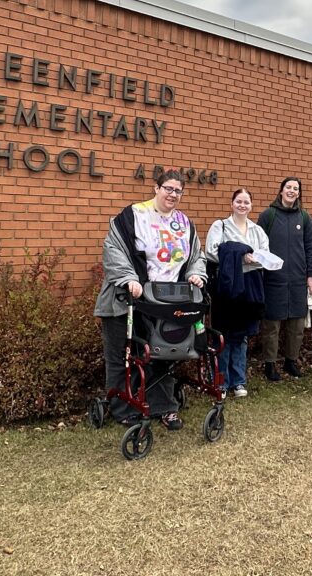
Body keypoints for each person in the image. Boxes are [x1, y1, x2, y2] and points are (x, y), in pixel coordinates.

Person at [94, 169, 206, 430]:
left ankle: (164, 406)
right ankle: (124, 407)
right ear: (156, 188)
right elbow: (113, 250)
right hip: (127, 300)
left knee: (163, 354)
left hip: (165, 304)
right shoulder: (133, 215)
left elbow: (196, 257)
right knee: (122, 355)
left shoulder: (184, 222)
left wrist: (196, 275)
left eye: (178, 190)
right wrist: (128, 278)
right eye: (168, 188)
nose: (173, 194)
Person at [205, 188, 268, 398]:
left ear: (251, 205)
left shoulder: (257, 230)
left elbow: (264, 254)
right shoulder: (220, 226)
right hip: (227, 284)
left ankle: (239, 381)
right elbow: (212, 252)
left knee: (241, 336)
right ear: (232, 204)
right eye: (239, 201)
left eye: (246, 202)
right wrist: (240, 254)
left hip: (250, 284)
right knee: (223, 334)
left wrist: (252, 257)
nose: (242, 205)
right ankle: (221, 381)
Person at [257, 177, 312, 382]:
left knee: (297, 325)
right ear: (281, 190)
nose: (292, 191)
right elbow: (258, 246)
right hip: (274, 279)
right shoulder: (269, 215)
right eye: (288, 187)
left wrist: (311, 275)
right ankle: (270, 364)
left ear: (299, 193)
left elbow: (311, 248)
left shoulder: (304, 217)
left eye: (296, 188)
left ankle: (291, 361)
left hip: (298, 280)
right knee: (272, 325)